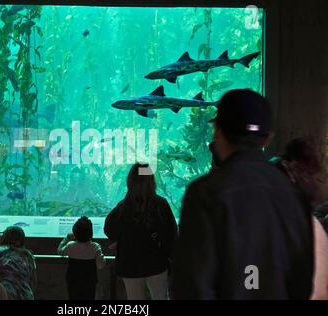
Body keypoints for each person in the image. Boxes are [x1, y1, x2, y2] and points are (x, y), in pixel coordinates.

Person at [172, 89, 314, 299]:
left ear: (217, 132)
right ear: (267, 139)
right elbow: (302, 282)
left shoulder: (204, 193)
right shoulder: (293, 194)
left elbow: (192, 287)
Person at [104, 163, 178, 300]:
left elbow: (108, 228)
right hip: (157, 265)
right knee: (161, 297)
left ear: (130, 181)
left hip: (129, 266)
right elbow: (172, 235)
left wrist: (119, 242)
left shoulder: (123, 206)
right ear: (151, 181)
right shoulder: (161, 204)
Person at [58, 216, 106, 300]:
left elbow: (60, 251)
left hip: (73, 282)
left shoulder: (71, 245)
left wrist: (67, 238)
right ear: (91, 233)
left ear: (75, 232)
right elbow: (100, 265)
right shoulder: (95, 247)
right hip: (89, 283)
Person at [0, 226, 37, 300]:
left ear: (5, 237)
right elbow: (34, 280)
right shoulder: (28, 255)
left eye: (2, 234)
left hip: (5, 294)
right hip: (25, 295)